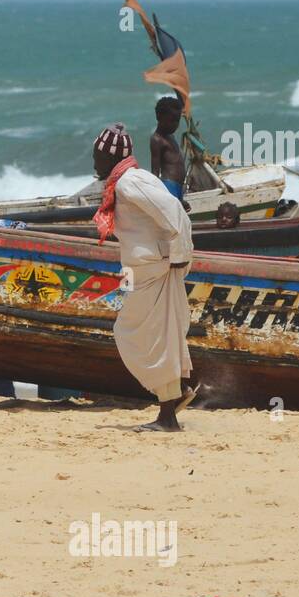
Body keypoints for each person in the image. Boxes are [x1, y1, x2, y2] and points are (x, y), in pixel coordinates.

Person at [91, 122, 198, 431]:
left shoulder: (129, 183)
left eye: (97, 155)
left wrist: (179, 257)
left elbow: (174, 211)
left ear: (109, 157)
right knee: (160, 337)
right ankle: (174, 397)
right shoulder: (124, 182)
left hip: (154, 270)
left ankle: (168, 416)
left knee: (135, 335)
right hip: (142, 271)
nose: (94, 161)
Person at [148, 96, 188, 204]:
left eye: (177, 121)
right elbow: (155, 171)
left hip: (178, 187)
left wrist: (181, 199)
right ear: (159, 117)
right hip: (168, 186)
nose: (175, 125)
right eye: (171, 121)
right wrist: (155, 194)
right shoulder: (157, 139)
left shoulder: (171, 137)